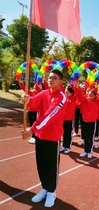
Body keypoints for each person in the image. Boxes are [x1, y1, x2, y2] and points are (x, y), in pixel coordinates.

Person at [21, 70, 67, 208]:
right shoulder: (44, 93)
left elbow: (49, 116)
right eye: (49, 77)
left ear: (60, 81)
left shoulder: (61, 97)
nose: (51, 80)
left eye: (54, 78)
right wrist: (28, 100)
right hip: (41, 136)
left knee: (51, 166)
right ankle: (44, 188)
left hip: (52, 137)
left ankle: (51, 191)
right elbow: (34, 103)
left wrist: (32, 130)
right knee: (41, 164)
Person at [60, 84, 76, 154]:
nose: (65, 94)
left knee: (68, 134)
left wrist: (74, 85)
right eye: (65, 92)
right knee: (63, 133)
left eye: (67, 93)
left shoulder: (74, 99)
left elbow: (77, 92)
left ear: (71, 93)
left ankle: (68, 147)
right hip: (63, 119)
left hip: (70, 120)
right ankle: (64, 146)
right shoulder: (63, 99)